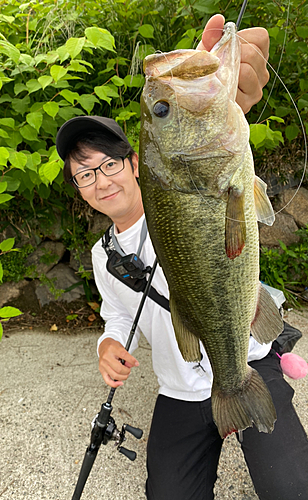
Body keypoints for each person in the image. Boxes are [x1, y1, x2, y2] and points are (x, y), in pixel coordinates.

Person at [56, 14, 308, 500]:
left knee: (293, 489)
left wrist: (214, 84)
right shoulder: (102, 255)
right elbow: (115, 312)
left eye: (109, 163)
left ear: (137, 163)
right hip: (180, 389)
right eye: (84, 174)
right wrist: (106, 344)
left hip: (246, 355)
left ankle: (246, 390)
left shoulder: (177, 195)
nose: (101, 180)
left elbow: (207, 147)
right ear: (78, 187)